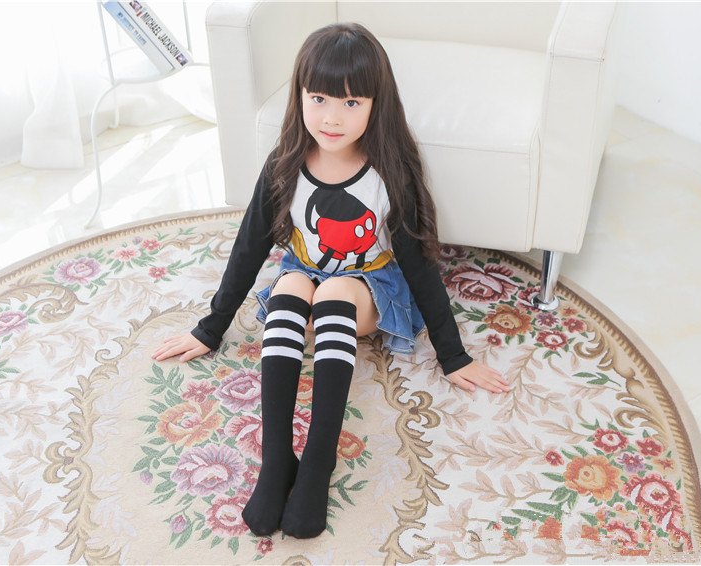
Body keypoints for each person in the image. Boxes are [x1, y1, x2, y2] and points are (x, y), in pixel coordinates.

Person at [152, 22, 510, 539]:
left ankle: (318, 460)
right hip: (306, 271)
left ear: (375, 105)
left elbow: (417, 265)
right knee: (290, 290)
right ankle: (278, 458)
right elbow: (250, 246)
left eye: (351, 102)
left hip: (369, 287)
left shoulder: (388, 173)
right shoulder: (285, 164)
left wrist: (453, 355)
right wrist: (210, 327)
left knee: (335, 292)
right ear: (299, 96)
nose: (332, 117)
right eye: (318, 98)